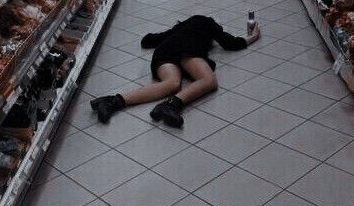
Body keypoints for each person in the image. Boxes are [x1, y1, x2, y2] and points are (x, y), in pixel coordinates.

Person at [90, 15, 261, 126]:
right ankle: (172, 105)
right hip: (187, 50)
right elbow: (230, 43)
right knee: (208, 81)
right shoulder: (207, 22)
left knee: (171, 83)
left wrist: (172, 30)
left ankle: (112, 101)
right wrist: (253, 36)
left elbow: (147, 40)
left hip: (165, 51)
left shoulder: (176, 29)